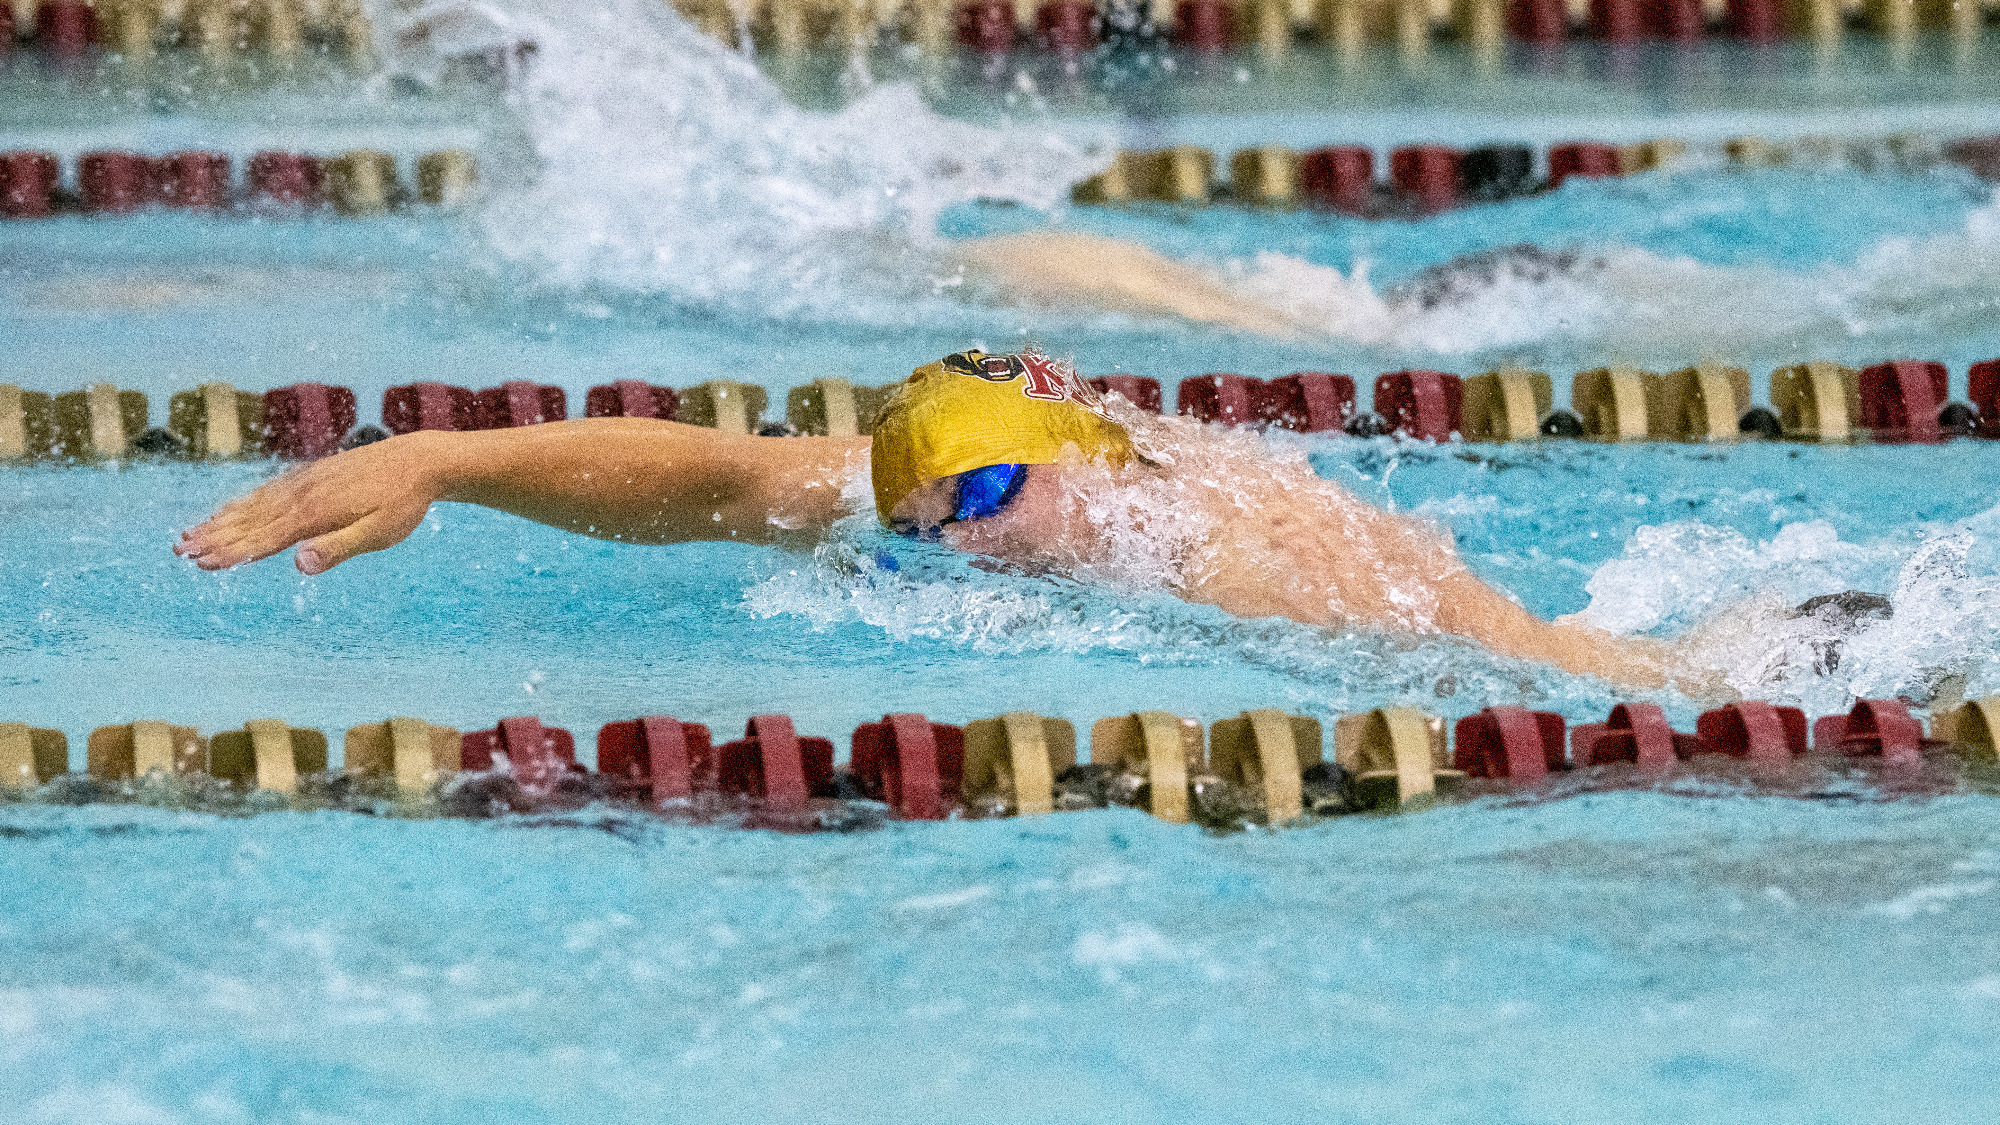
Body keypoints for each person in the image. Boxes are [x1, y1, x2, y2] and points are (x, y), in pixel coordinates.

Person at [177, 348, 1723, 696]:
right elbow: (715, 477)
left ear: (1084, 464)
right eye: (923, 526)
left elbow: (1471, 696)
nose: (957, 541)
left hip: (1628, 680)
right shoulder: (996, 485)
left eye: (985, 498)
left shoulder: (1234, 567)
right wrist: (445, 461)